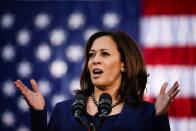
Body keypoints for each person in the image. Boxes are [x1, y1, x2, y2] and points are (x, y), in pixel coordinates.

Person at [15, 31, 180, 131]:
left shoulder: (148, 114)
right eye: (92, 55)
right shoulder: (63, 111)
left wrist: (160, 118)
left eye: (105, 54)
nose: (95, 60)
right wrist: (38, 113)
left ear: (124, 64)